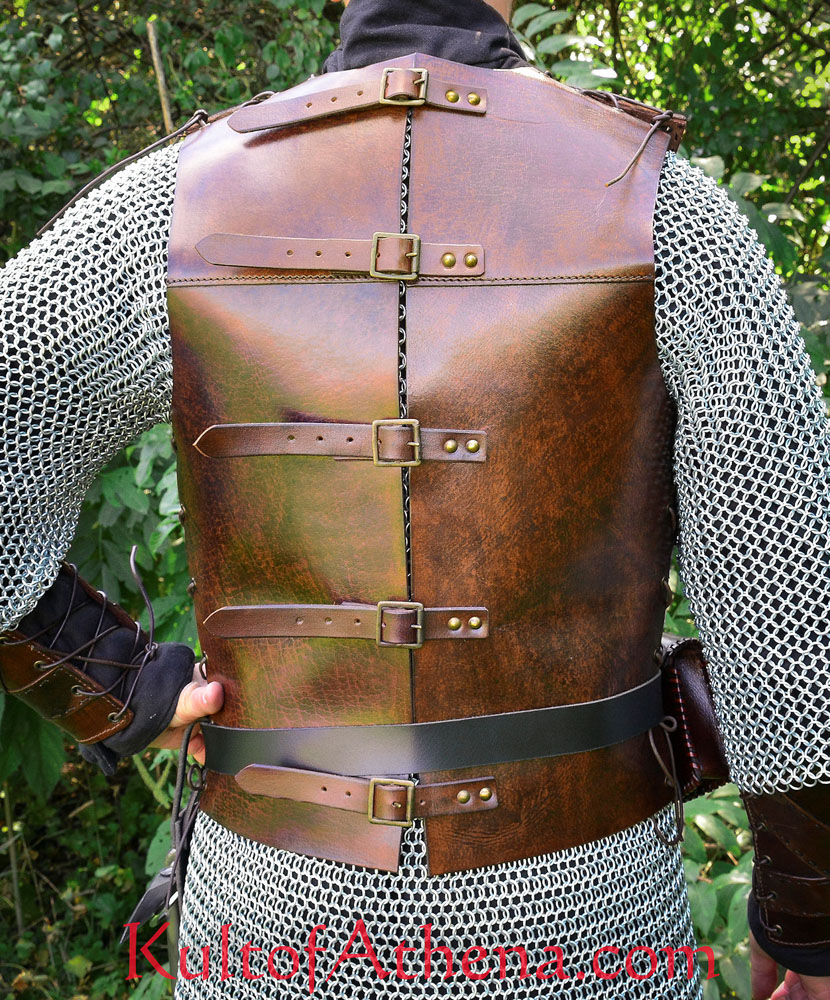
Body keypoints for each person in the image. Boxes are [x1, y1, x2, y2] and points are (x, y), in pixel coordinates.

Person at [1, 1, 828, 998]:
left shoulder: (171, 203)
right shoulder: (660, 206)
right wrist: (810, 919)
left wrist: (112, 685)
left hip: (276, 913)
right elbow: (788, 615)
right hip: (578, 910)